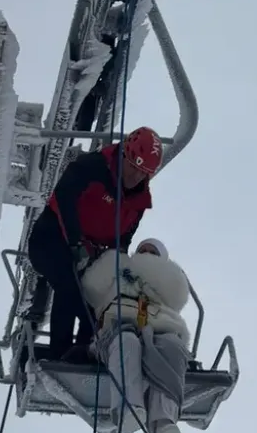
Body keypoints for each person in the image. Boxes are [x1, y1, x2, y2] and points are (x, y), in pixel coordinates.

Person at [26, 126, 163, 361]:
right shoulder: (91, 168)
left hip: (90, 254)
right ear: (123, 155)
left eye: (143, 173)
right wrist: (75, 242)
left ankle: (86, 350)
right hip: (50, 240)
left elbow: (123, 240)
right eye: (133, 166)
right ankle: (60, 354)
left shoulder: (138, 203)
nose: (135, 177)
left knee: (97, 303)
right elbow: (64, 199)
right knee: (69, 286)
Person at [80, 237, 192, 433]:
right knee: (127, 341)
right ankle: (128, 408)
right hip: (116, 328)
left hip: (158, 328)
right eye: (143, 250)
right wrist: (113, 262)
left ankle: (163, 420)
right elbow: (91, 288)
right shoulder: (119, 268)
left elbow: (176, 297)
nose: (147, 254)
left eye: (152, 252)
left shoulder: (166, 283)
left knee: (171, 348)